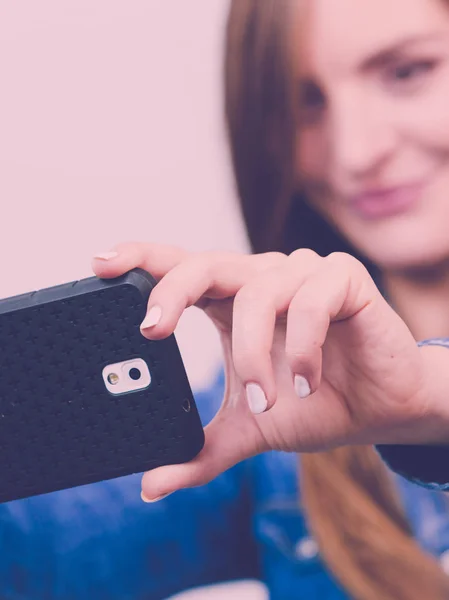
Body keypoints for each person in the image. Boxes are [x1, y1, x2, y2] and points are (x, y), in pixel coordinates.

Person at [4, 0, 449, 599]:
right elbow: (38, 554)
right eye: (303, 103)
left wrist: (431, 397)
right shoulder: (264, 415)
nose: (356, 152)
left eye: (406, 72)